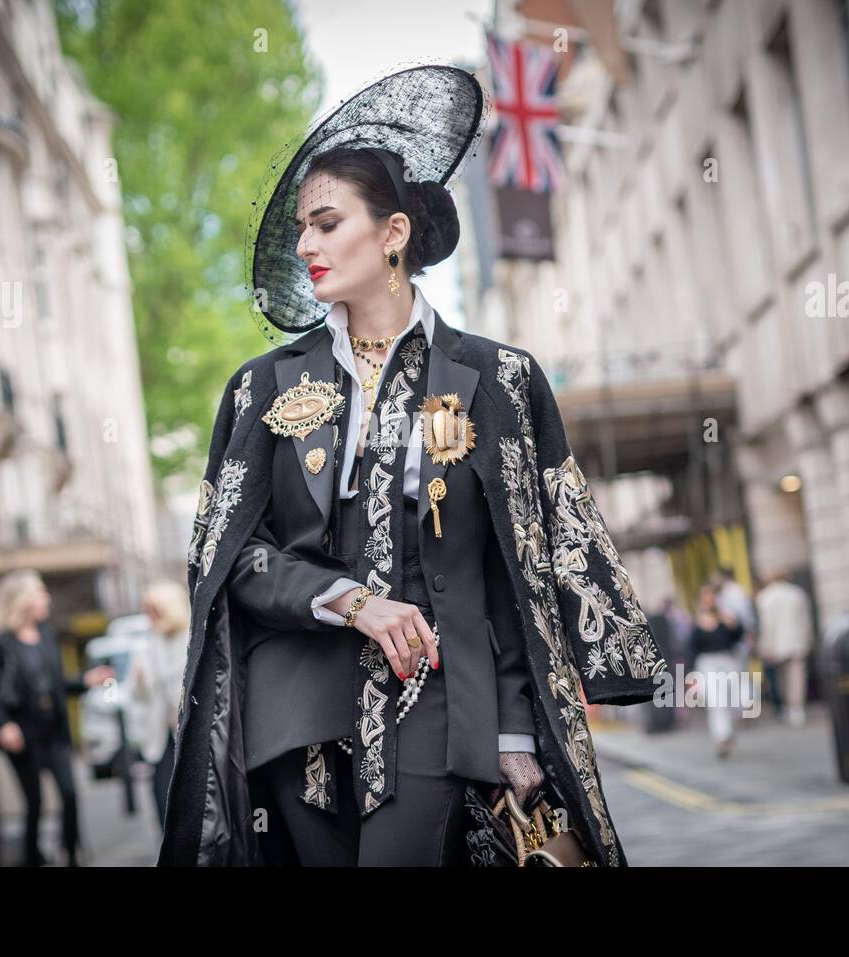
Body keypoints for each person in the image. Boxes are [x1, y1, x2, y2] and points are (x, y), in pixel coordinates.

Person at [158, 65, 668, 868]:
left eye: (328, 223)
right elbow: (231, 562)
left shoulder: (499, 378)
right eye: (301, 228)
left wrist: (512, 728)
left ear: (392, 233)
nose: (306, 245)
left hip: (441, 708)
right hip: (293, 725)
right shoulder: (261, 387)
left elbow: (513, 572)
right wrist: (348, 599)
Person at [0, 570, 113, 866]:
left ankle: (70, 853)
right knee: (34, 802)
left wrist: (85, 681)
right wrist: (4, 725)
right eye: (39, 593)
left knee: (70, 794)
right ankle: (32, 857)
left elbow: (56, 685)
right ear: (22, 600)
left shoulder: (46, 636)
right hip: (24, 734)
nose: (46, 598)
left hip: (55, 732)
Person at [125, 580, 190, 833]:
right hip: (160, 737)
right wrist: (139, 683)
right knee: (161, 798)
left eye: (153, 610)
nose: (148, 616)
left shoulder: (192, 638)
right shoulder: (146, 645)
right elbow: (136, 694)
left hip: (188, 733)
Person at [686, 584, 745, 758]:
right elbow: (692, 648)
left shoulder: (726, 618)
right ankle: (722, 737)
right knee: (716, 702)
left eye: (711, 597)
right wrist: (691, 673)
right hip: (707, 664)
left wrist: (733, 625)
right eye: (705, 597)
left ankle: (728, 732)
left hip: (728, 661)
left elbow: (738, 637)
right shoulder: (696, 622)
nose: (708, 600)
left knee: (732, 701)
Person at [754, 568, 813, 727]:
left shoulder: (765, 597)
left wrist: (766, 644)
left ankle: (787, 706)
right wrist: (808, 640)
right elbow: (805, 620)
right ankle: (796, 708)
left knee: (781, 677)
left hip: (776, 645)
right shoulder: (797, 594)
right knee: (797, 676)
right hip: (796, 642)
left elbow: (766, 625)